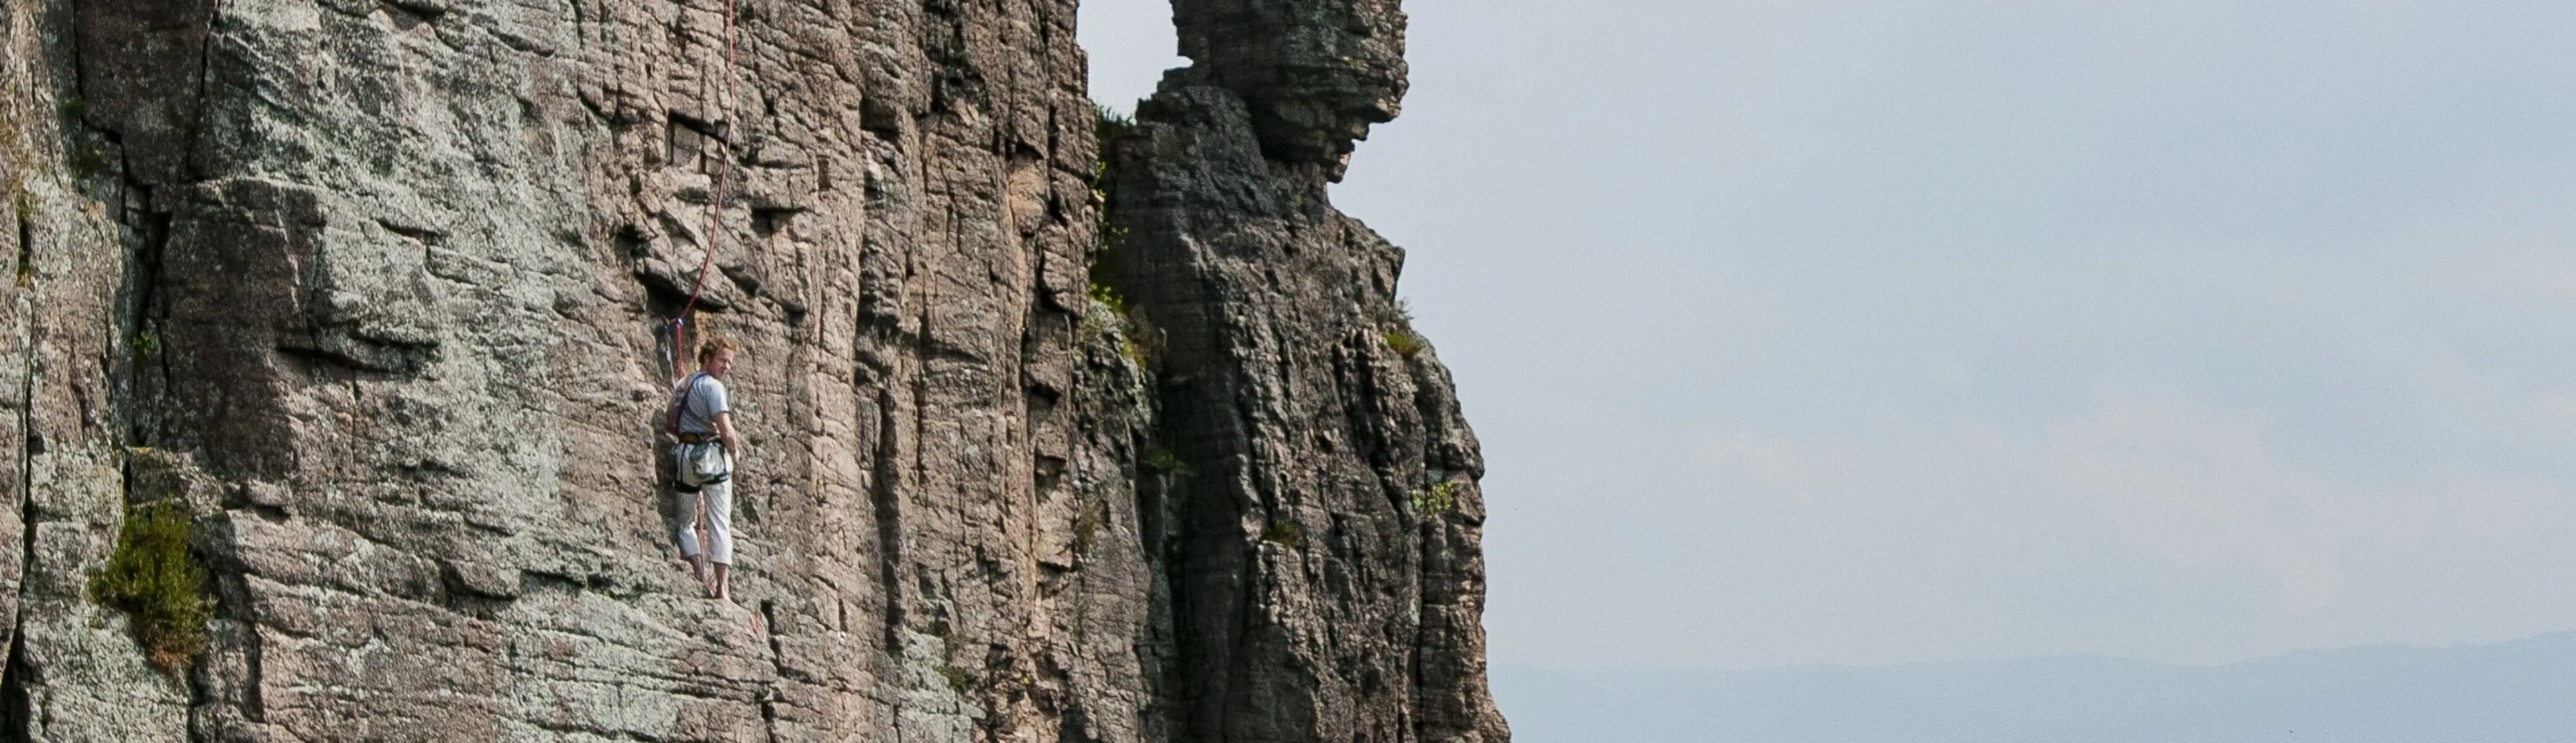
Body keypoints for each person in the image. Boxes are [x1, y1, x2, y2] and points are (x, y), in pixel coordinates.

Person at [669, 336, 744, 600]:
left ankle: (700, 574)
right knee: (719, 522)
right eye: (723, 360)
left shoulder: (683, 384)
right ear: (708, 359)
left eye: (730, 362)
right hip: (712, 458)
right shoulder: (713, 388)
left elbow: (670, 421)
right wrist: (735, 452)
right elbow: (726, 429)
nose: (727, 367)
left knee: (685, 523)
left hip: (685, 456)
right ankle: (722, 588)